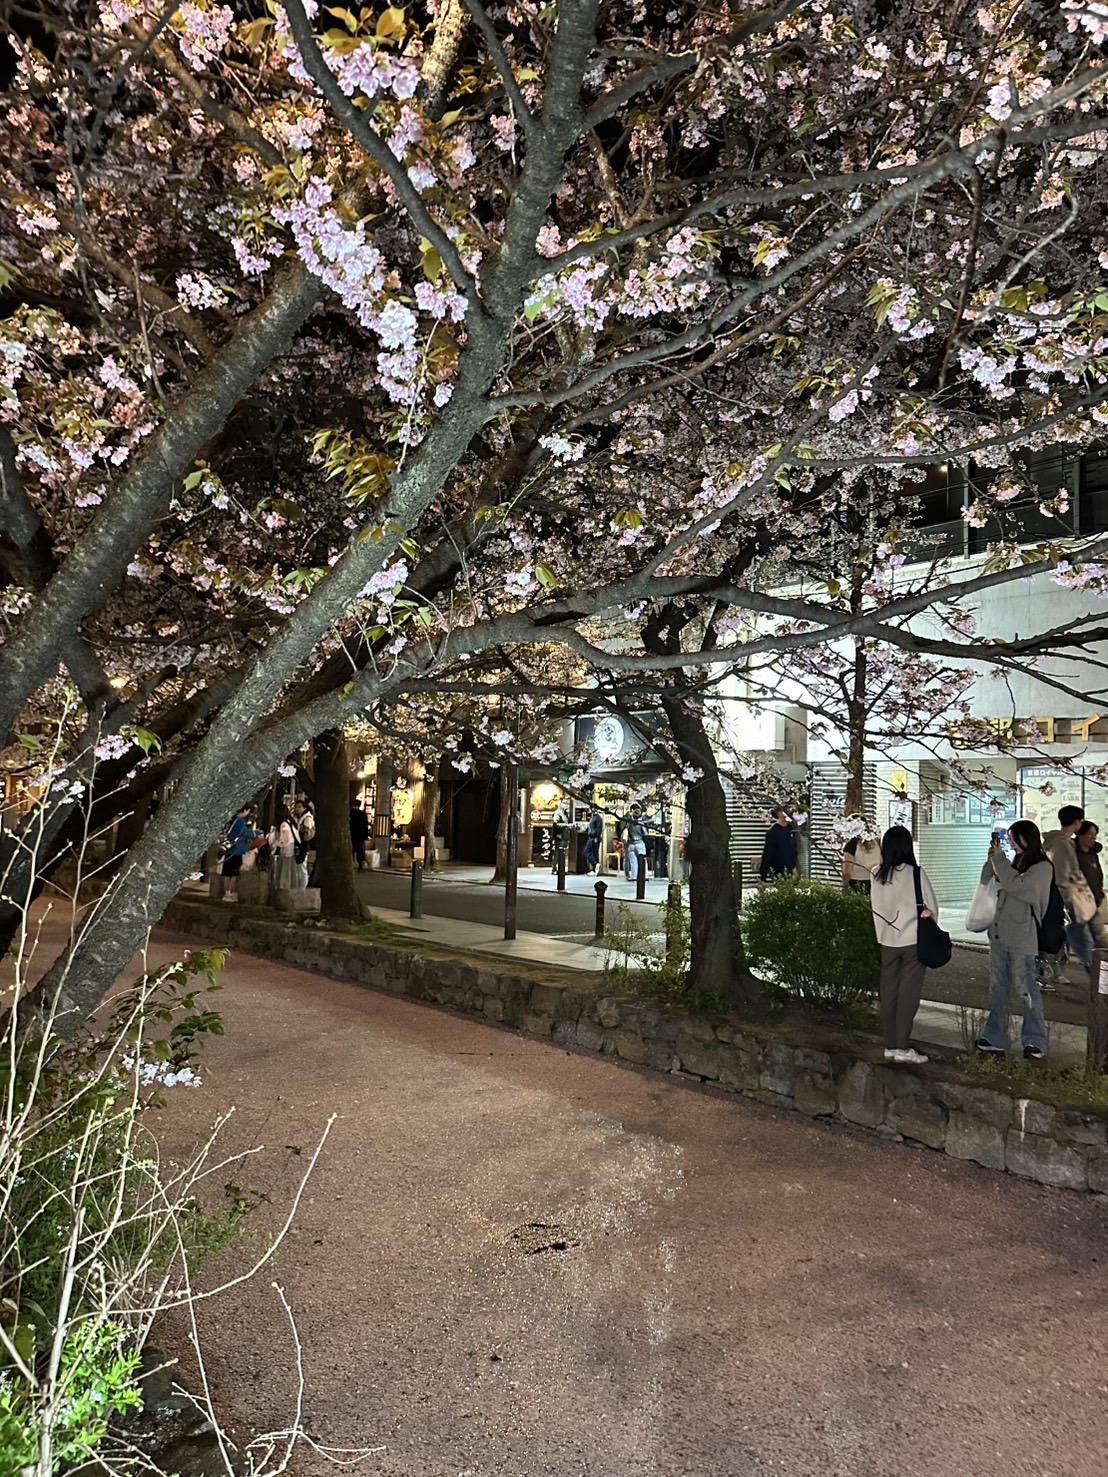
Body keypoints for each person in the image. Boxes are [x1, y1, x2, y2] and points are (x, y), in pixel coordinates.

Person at [975, 819, 1051, 1061]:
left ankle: (1035, 1040)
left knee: (1026, 990)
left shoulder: (1042, 867)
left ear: (1028, 838)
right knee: (998, 989)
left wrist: (1000, 860)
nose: (1011, 844)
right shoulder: (1012, 863)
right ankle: (995, 1038)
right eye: (1008, 839)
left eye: (1014, 839)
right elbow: (987, 880)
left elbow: (1020, 887)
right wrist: (991, 860)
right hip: (999, 934)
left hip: (1023, 938)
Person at [869, 825, 935, 1064]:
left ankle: (890, 1045)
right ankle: (903, 1047)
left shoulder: (876, 874)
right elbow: (932, 907)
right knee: (908, 996)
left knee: (888, 994)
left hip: (887, 941)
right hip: (912, 941)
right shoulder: (916, 873)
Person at [1040, 803, 1085, 987]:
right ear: (1076, 822)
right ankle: (1051, 971)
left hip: (1051, 894)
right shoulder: (1062, 844)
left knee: (1054, 932)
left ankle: (1049, 970)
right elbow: (1063, 876)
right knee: (1057, 933)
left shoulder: (1053, 842)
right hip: (1059, 896)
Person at [1068, 820, 1107, 972]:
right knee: (1086, 942)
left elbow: (1097, 877)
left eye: (1095, 834)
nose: (1093, 837)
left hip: (1096, 903)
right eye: (1090, 834)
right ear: (1080, 834)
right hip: (1080, 906)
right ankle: (1094, 971)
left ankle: (1099, 973)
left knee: (1099, 940)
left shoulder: (1092, 855)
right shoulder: (1072, 856)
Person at [220, 803, 259, 902]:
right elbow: (245, 833)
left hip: (231, 850)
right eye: (248, 811)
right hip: (236, 851)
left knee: (229, 874)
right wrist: (256, 834)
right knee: (233, 874)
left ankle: (229, 894)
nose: (248, 813)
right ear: (244, 810)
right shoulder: (240, 821)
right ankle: (229, 894)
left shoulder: (233, 819)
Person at [758, 807, 798, 881]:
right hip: (778, 869)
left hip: (792, 869)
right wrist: (763, 873)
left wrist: (794, 867)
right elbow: (768, 853)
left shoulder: (791, 830)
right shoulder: (772, 832)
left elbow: (794, 849)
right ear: (780, 813)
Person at [841, 821, 881, 894]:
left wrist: (844, 885)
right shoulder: (876, 842)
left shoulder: (852, 844)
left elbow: (847, 869)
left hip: (857, 882)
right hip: (875, 880)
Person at [269, 804, 301, 893]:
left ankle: (284, 889)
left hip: (287, 851)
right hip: (292, 850)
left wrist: (275, 844)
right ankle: (291, 887)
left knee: (285, 871)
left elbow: (284, 840)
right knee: (291, 871)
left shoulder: (284, 825)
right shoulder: (290, 822)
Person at [619, 804, 648, 883]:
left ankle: (634, 876)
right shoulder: (640, 823)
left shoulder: (629, 823)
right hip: (640, 842)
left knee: (633, 861)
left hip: (631, 844)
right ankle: (645, 876)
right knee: (643, 860)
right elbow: (645, 833)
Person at [551, 803, 571, 874]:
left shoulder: (565, 813)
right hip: (560, 836)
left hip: (564, 836)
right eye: (566, 804)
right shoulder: (558, 812)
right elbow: (556, 824)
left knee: (562, 853)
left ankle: (561, 869)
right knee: (558, 853)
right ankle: (555, 869)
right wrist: (567, 825)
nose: (567, 806)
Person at [350, 799, 370, 870]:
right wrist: (365, 836)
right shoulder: (362, 814)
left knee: (351, 850)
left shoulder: (350, 813)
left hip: (351, 835)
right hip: (360, 836)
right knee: (360, 850)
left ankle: (350, 864)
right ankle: (360, 866)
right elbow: (365, 826)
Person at [584, 807, 604, 873]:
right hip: (591, 837)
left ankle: (595, 867)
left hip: (594, 838)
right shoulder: (593, 818)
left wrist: (596, 837)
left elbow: (599, 829)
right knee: (592, 852)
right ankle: (595, 866)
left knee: (592, 852)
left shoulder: (598, 818)